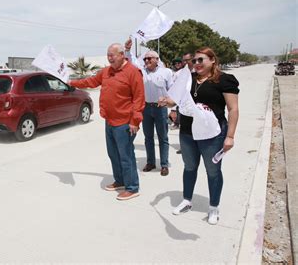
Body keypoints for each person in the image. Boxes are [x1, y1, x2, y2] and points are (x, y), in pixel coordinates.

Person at [159, 47, 239, 225]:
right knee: (189, 168)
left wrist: (230, 136)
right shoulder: (188, 78)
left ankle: (213, 207)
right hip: (188, 133)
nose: (196, 64)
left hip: (212, 135)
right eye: (194, 60)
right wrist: (167, 101)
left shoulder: (224, 80)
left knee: (213, 171)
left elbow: (233, 109)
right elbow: (176, 99)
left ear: (212, 60)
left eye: (200, 60)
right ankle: (187, 200)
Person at [69, 43, 145, 201]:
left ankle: (132, 188)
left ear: (122, 55)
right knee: (113, 154)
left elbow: (138, 99)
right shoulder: (106, 71)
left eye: (112, 55)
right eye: (108, 55)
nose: (109, 58)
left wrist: (135, 122)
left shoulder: (133, 72)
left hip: (125, 122)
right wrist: (71, 83)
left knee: (126, 156)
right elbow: (90, 82)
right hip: (109, 121)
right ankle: (120, 180)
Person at [125, 41, 173, 176]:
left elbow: (174, 91)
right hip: (146, 108)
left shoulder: (166, 72)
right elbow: (131, 61)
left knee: (163, 137)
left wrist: (172, 106)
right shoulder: (141, 72)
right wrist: (127, 50)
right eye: (145, 58)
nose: (146, 60)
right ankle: (151, 162)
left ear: (157, 60)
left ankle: (164, 164)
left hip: (161, 108)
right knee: (148, 137)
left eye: (149, 58)